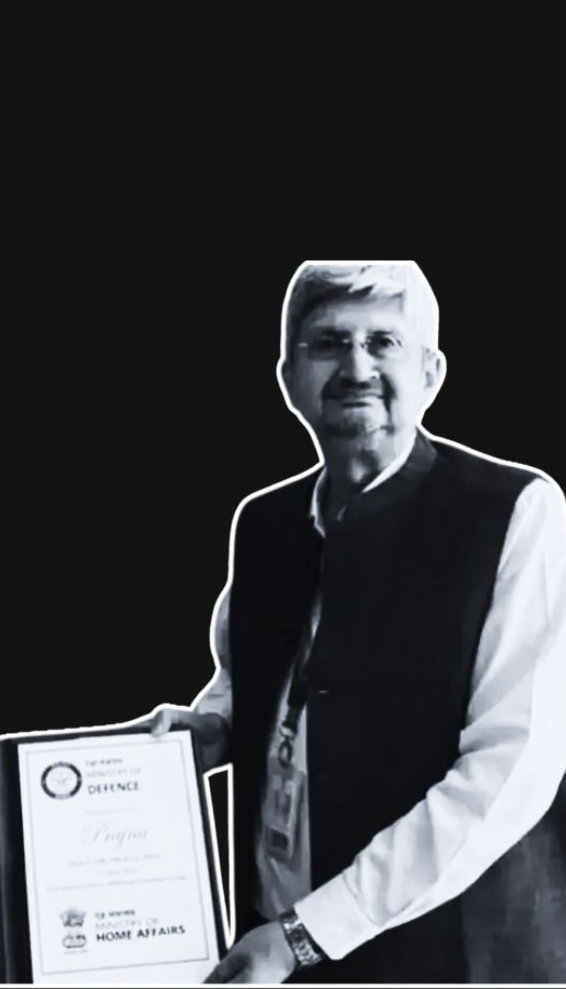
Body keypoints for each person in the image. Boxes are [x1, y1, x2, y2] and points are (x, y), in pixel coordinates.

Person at [153, 261, 565, 983]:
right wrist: (211, 726)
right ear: (288, 378)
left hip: (450, 961)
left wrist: (305, 934)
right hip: (271, 950)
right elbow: (249, 676)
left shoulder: (518, 513)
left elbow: (510, 769)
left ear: (431, 372)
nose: (356, 368)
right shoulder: (263, 522)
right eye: (328, 343)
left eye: (383, 342)